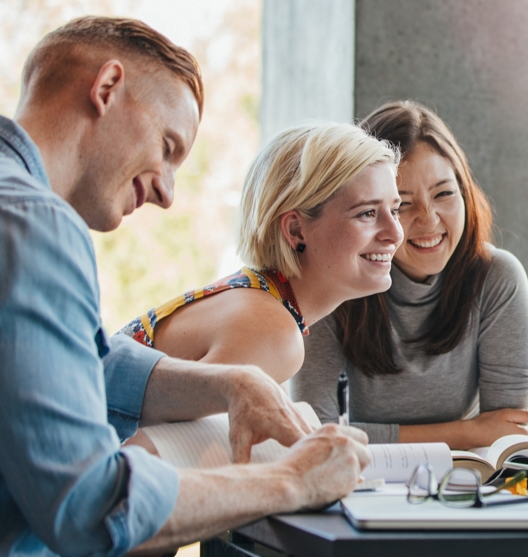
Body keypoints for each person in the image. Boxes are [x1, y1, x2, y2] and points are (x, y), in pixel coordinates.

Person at [0, 17, 372, 557]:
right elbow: (89, 504)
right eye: (168, 148)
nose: (168, 192)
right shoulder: (29, 224)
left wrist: (232, 384)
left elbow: (85, 364)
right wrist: (289, 481)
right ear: (107, 89)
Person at [294, 101, 528, 557]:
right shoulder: (336, 280)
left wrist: (475, 440)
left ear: (466, 192)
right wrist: (467, 432)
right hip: (356, 496)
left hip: (458, 496)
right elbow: (315, 438)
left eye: (444, 193)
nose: (427, 220)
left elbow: (506, 442)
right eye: (401, 202)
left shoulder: (497, 278)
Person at [118, 122, 403, 384]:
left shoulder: (260, 300)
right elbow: (147, 440)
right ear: (295, 230)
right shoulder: (273, 333)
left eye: (395, 210)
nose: (396, 233)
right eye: (367, 213)